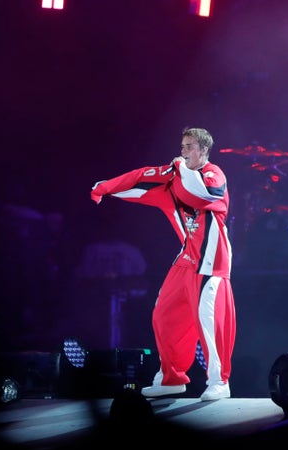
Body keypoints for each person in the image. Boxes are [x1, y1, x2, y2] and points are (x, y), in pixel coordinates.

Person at [90, 127, 236, 401]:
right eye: (182, 146)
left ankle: (219, 381)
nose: (183, 151)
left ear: (204, 150)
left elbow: (202, 195)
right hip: (187, 258)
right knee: (163, 315)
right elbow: (140, 178)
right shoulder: (175, 179)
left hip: (212, 261)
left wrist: (179, 168)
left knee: (209, 320)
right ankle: (171, 378)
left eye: (190, 146)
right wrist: (105, 188)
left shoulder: (213, 174)